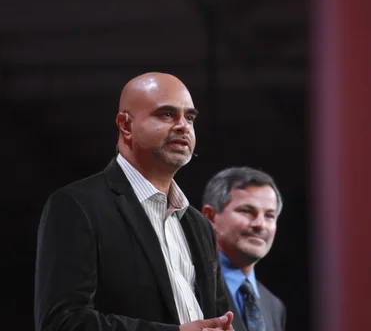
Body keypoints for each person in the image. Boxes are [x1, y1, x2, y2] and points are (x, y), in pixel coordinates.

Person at [34, 72, 234, 331]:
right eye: (167, 114)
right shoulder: (77, 205)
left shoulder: (199, 225)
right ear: (125, 125)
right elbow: (61, 322)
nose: (183, 126)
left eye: (190, 117)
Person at [201, 167, 286, 331]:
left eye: (269, 215)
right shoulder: (189, 283)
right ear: (210, 216)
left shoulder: (274, 306)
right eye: (247, 211)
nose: (260, 224)